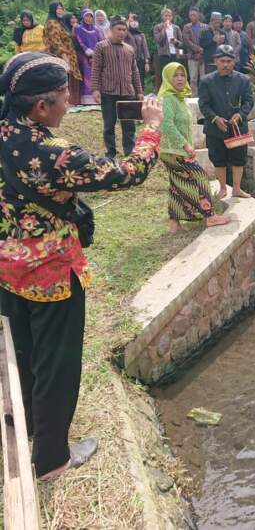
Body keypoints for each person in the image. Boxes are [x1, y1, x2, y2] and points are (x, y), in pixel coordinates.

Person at [0, 51, 163, 481]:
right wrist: (151, 128)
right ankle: (51, 459)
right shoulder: (54, 153)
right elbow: (127, 173)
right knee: (57, 364)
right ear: (41, 106)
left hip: (9, 266)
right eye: (64, 96)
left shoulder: (5, 131)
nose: (70, 102)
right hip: (51, 273)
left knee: (25, 352)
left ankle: (28, 424)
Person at [159, 62, 231, 233]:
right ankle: (210, 216)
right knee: (200, 177)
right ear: (167, 78)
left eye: (182, 75)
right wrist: (185, 145)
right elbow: (167, 125)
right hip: (174, 150)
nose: (179, 79)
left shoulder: (180, 99)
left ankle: (174, 223)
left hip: (174, 150)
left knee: (176, 184)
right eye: (175, 76)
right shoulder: (168, 99)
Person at [198, 44, 254, 200]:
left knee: (239, 158)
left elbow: (249, 101)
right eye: (222, 61)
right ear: (215, 61)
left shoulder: (243, 80)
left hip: (237, 127)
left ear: (234, 62)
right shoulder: (206, 81)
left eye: (229, 61)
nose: (225, 65)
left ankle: (236, 188)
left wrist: (241, 115)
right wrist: (214, 118)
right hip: (215, 127)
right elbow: (203, 104)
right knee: (218, 158)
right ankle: (222, 188)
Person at [92, 15, 144, 158]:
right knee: (109, 125)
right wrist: (95, 89)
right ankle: (111, 154)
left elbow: (135, 71)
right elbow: (96, 69)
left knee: (129, 126)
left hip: (127, 93)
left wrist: (139, 91)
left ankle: (130, 153)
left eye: (124, 30)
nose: (122, 32)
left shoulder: (129, 49)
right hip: (108, 92)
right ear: (111, 29)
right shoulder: (101, 47)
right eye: (119, 29)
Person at [43, 2, 82, 106]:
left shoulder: (60, 22)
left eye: (61, 8)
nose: (60, 11)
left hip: (68, 55)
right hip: (60, 57)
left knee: (68, 80)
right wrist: (65, 57)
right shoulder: (52, 23)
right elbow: (56, 42)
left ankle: (70, 102)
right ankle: (63, 103)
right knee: (62, 81)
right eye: (58, 8)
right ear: (52, 10)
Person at [74, 8, 105, 105]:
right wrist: (87, 50)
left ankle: (97, 98)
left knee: (97, 75)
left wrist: (98, 53)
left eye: (90, 16)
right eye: (86, 16)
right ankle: (86, 100)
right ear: (83, 17)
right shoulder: (78, 29)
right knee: (86, 77)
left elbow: (101, 42)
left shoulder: (97, 29)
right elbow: (79, 41)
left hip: (96, 57)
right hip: (84, 57)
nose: (88, 18)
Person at [182, 6, 207, 96]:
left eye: (194, 15)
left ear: (199, 15)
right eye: (191, 15)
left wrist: (202, 51)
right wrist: (198, 49)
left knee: (204, 78)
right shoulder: (186, 27)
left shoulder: (205, 26)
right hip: (192, 56)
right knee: (193, 78)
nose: (192, 17)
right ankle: (194, 96)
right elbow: (187, 42)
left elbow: (207, 40)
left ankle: (204, 95)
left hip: (203, 57)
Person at [153, 8, 183, 75]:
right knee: (165, 74)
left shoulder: (176, 28)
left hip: (175, 54)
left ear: (172, 17)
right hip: (164, 55)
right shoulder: (157, 27)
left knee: (175, 74)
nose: (167, 17)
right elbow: (158, 40)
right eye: (165, 16)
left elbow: (181, 44)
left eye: (169, 16)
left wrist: (176, 41)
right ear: (162, 17)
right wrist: (164, 28)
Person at [125, 13, 151, 90]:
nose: (134, 22)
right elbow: (124, 30)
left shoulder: (141, 34)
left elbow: (145, 48)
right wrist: (128, 21)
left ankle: (140, 93)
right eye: (132, 21)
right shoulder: (126, 33)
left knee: (140, 77)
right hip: (129, 59)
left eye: (135, 20)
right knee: (130, 78)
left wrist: (147, 62)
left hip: (140, 60)